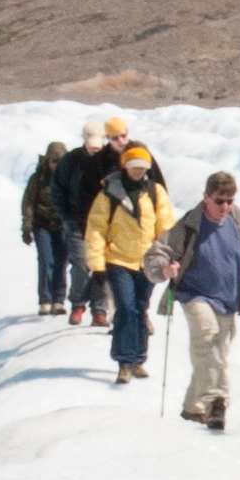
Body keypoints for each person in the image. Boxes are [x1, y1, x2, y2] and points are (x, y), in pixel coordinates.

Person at [146, 169, 240, 431]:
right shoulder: (189, 224)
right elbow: (157, 253)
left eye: (230, 200)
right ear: (206, 197)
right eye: (220, 201)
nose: (225, 206)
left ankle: (192, 408)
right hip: (194, 294)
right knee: (206, 336)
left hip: (228, 299)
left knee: (217, 353)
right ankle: (217, 401)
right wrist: (164, 269)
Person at [83, 134, 172, 383]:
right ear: (125, 166)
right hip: (119, 260)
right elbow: (96, 229)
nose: (138, 172)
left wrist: (167, 257)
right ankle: (124, 361)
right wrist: (98, 265)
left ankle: (138, 358)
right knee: (125, 307)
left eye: (142, 168)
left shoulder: (155, 193)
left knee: (140, 309)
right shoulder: (109, 193)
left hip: (148, 261)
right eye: (134, 167)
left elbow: (165, 228)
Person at [51, 114, 111, 325]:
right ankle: (78, 304)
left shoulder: (110, 161)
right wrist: (66, 217)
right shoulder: (71, 160)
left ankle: (99, 310)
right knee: (80, 264)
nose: (94, 149)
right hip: (76, 222)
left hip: (105, 224)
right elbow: (57, 189)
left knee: (101, 265)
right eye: (90, 145)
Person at [21, 140, 72, 312]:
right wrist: (27, 227)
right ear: (47, 161)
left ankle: (58, 300)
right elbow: (28, 202)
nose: (56, 165)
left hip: (63, 226)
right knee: (46, 260)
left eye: (60, 162)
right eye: (53, 161)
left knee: (61, 262)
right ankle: (45, 299)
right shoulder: (38, 179)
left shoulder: (71, 179)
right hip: (42, 225)